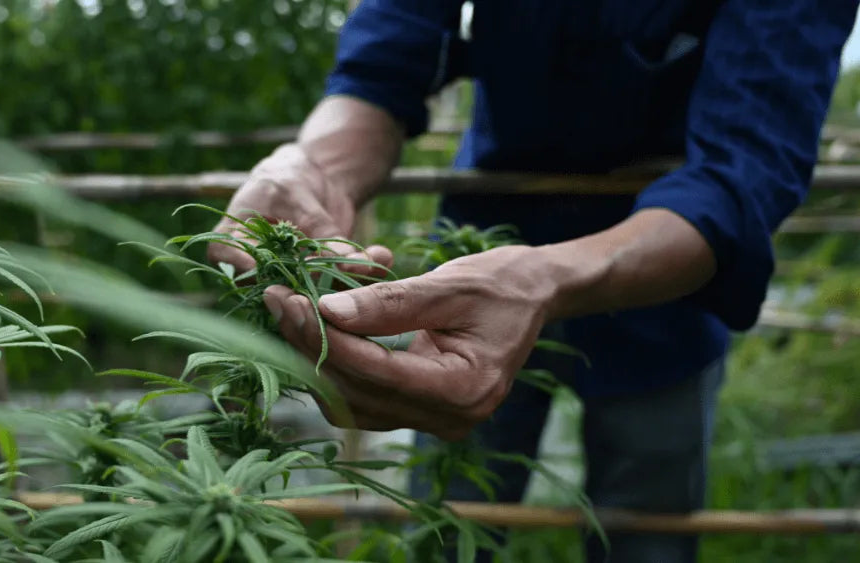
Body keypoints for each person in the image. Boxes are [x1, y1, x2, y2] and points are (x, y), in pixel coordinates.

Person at [208, 1, 859, 561]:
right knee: (451, 514)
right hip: (475, 257)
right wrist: (313, 171)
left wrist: (547, 278)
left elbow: (740, 174)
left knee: (647, 519)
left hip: (664, 274)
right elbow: (382, 63)